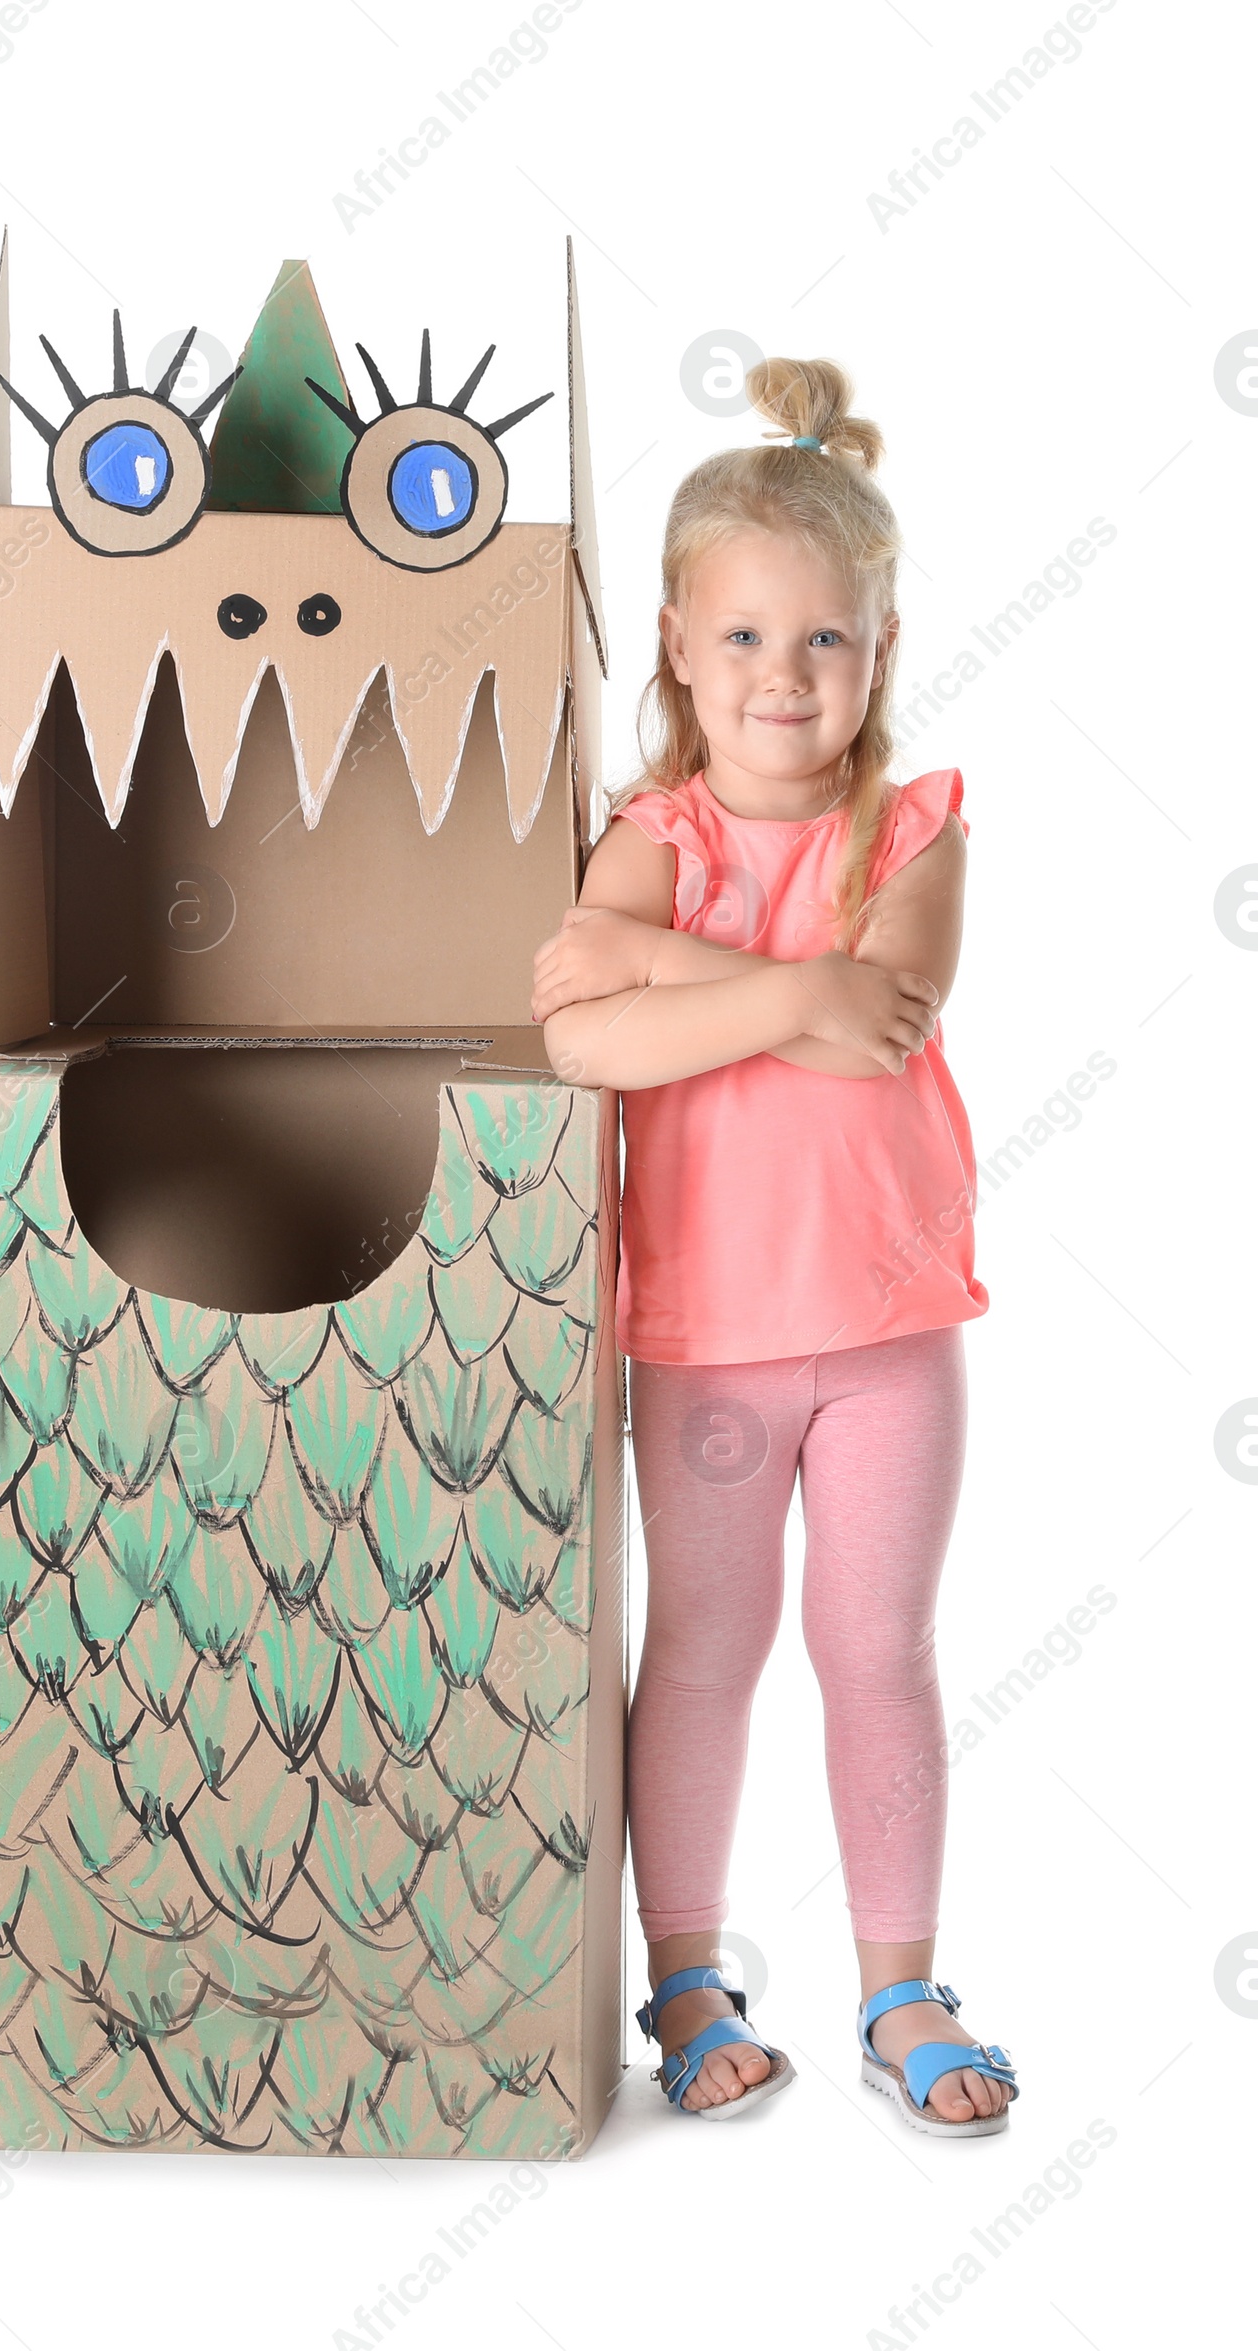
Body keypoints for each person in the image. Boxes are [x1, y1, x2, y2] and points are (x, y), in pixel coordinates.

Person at [532, 359, 1018, 2136]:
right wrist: (793, 988)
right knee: (710, 1650)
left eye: (823, 642)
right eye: (742, 640)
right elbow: (577, 1030)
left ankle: (904, 1986)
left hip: (891, 1322)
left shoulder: (916, 829)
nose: (782, 679)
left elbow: (887, 1019)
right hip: (710, 1338)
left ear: (878, 647)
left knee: (876, 1647)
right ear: (675, 642)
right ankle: (683, 1969)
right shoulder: (652, 839)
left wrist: (721, 989)